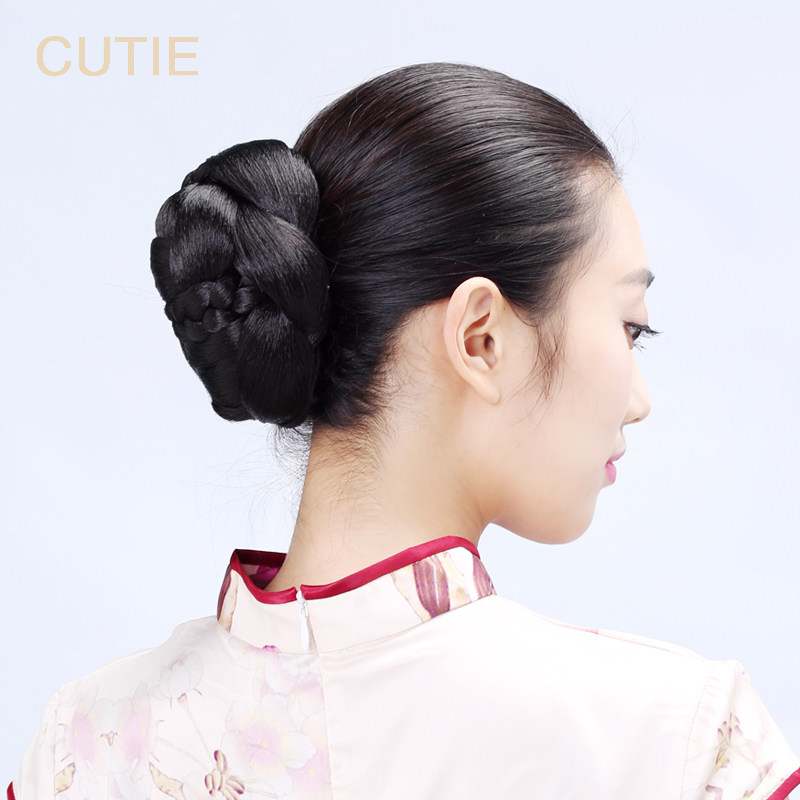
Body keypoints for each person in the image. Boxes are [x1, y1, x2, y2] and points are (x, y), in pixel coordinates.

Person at [9, 62, 799, 800]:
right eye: (631, 328)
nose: (639, 401)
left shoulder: (86, 746)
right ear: (481, 338)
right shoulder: (679, 740)